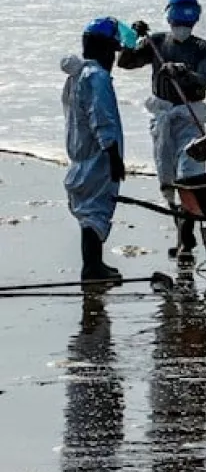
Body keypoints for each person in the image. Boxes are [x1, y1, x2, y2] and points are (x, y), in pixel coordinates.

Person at [118, 0, 206, 256]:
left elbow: (205, 80)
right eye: (179, 16)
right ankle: (181, 230)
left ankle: (187, 235)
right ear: (170, 17)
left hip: (189, 117)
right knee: (168, 176)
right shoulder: (157, 42)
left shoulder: (203, 48)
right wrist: (133, 38)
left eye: (189, 17)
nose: (183, 23)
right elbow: (125, 63)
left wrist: (183, 71)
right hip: (162, 118)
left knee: (190, 173)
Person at [63, 17, 133, 282]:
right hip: (98, 157)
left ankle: (94, 264)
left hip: (82, 155)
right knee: (96, 212)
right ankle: (92, 267)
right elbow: (102, 119)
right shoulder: (98, 77)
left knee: (90, 211)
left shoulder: (78, 75)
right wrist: (113, 156)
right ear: (104, 49)